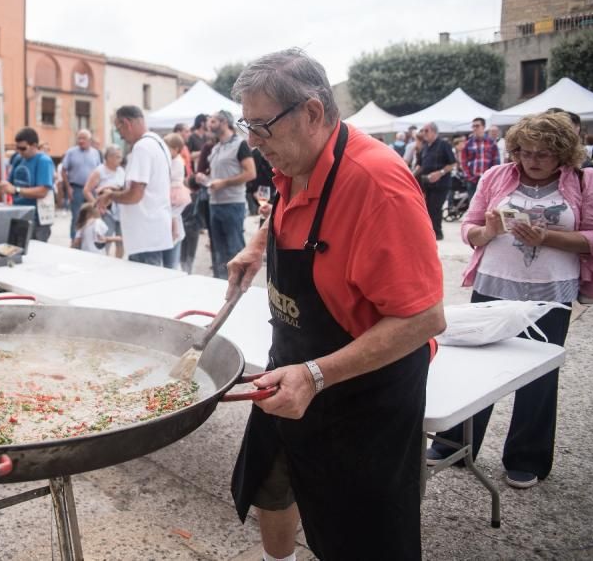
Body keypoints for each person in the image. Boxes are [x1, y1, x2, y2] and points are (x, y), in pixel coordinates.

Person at [226, 49, 445, 561]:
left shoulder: (377, 186)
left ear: (312, 113)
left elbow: (424, 317)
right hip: (293, 360)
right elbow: (286, 208)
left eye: (262, 126)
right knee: (270, 479)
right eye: (247, 125)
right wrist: (258, 245)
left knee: (360, 529)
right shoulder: (294, 158)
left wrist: (318, 376)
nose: (253, 142)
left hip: (365, 390)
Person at [427, 110, 593, 487]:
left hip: (550, 294)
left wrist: (548, 239)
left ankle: (527, 457)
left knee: (538, 374)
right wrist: (487, 232)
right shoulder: (495, 176)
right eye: (525, 151)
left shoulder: (586, 181)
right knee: (473, 370)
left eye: (543, 154)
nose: (532, 160)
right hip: (494, 285)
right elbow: (470, 230)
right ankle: (454, 445)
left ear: (563, 153)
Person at [95, 105, 172, 266]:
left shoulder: (142, 147)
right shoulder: (158, 142)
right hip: (154, 231)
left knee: (147, 287)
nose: (120, 136)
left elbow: (134, 195)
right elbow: (148, 186)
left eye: (118, 129)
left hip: (144, 235)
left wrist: (110, 196)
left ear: (126, 123)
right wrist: (115, 190)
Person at [200, 110, 255, 279]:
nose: (209, 124)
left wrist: (223, 183)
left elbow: (251, 173)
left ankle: (240, 287)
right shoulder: (216, 147)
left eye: (213, 121)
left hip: (233, 204)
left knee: (234, 249)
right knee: (218, 250)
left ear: (224, 122)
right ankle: (221, 286)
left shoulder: (240, 144)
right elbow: (217, 176)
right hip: (214, 203)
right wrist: (205, 178)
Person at [0, 128, 56, 242]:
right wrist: (5, 185)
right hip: (19, 215)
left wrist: (16, 190)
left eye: (23, 148)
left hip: (37, 219)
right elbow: (10, 182)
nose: (19, 151)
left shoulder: (44, 161)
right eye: (17, 148)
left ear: (34, 145)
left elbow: (42, 191)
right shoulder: (17, 158)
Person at [413, 122, 457, 239]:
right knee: (427, 208)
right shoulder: (426, 146)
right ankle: (430, 232)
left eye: (426, 131)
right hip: (426, 182)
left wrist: (440, 173)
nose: (424, 133)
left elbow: (453, 163)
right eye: (423, 131)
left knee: (435, 208)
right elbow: (420, 164)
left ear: (433, 131)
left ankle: (437, 233)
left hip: (441, 183)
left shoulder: (444, 144)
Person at [60, 129, 102, 239]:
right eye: (79, 138)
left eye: (83, 138)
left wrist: (99, 187)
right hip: (76, 188)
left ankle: (89, 239)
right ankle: (74, 240)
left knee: (93, 214)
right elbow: (63, 170)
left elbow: (99, 170)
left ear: (89, 140)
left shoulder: (95, 153)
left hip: (91, 190)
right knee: (76, 216)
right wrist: (68, 188)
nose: (81, 141)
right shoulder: (71, 152)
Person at [85, 144, 126, 258]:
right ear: (109, 157)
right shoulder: (99, 171)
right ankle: (103, 263)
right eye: (117, 157)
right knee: (105, 239)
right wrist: (97, 206)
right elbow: (87, 190)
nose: (120, 159)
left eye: (120, 157)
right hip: (106, 211)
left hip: (121, 210)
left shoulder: (121, 171)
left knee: (121, 240)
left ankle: (119, 264)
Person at [164, 132, 192, 270]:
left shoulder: (178, 161)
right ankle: (174, 229)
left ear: (176, 149)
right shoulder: (172, 159)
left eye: (167, 148)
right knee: (172, 212)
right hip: (173, 188)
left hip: (175, 188)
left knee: (173, 212)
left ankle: (174, 230)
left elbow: (173, 176)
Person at [462, 117, 500, 204]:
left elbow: (496, 163)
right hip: (473, 181)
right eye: (473, 126)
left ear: (483, 127)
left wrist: (493, 178)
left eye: (477, 126)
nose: (474, 128)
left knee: (488, 206)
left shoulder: (491, 143)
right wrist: (469, 177)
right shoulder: (468, 144)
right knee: (473, 207)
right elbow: (464, 162)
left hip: (487, 181)